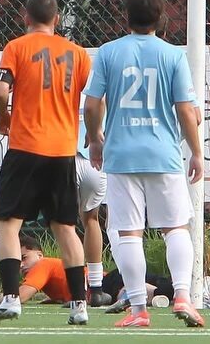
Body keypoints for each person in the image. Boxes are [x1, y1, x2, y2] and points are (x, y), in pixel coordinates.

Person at [83, 0, 205, 328]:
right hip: (163, 155)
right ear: (161, 17)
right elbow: (188, 111)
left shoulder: (108, 52)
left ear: (125, 16)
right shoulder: (172, 55)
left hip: (121, 156)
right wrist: (196, 153)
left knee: (128, 233)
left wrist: (95, 140)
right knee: (176, 227)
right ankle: (183, 296)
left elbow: (91, 105)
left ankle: (139, 309)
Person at [0, 0, 91, 325]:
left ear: (25, 17)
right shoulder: (78, 54)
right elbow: (89, 95)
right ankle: (79, 304)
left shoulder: (17, 47)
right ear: (56, 20)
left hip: (26, 147)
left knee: (7, 223)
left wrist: (3, 116)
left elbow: (0, 90)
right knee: (65, 228)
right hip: (63, 151)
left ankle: (11, 298)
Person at [76, 102, 112, 307]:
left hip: (67, 154)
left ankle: (77, 290)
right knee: (92, 220)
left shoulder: (60, 83)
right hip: (96, 156)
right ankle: (96, 289)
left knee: (65, 226)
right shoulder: (100, 86)